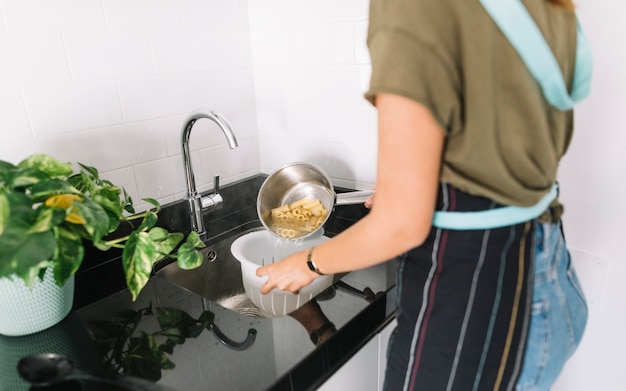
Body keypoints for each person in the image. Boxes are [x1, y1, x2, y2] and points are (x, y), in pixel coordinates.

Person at [257, 0, 589, 389]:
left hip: (474, 304)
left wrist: (307, 263)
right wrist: (424, 190)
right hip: (549, 278)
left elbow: (401, 225)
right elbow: (506, 144)